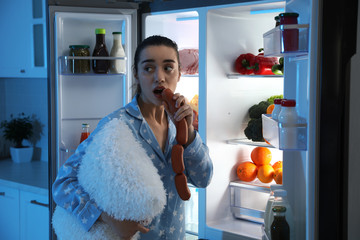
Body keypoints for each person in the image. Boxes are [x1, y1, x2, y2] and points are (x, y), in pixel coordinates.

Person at [52, 35, 213, 240]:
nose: (159, 77)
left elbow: (203, 178)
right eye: (148, 68)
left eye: (168, 67)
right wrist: (110, 219)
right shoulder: (116, 125)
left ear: (180, 74)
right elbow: (62, 184)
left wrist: (189, 132)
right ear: (136, 74)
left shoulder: (179, 125)